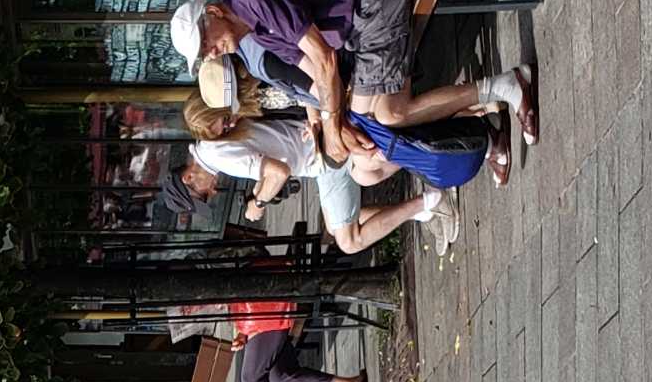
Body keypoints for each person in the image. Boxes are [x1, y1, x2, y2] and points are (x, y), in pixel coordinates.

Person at [170, 0, 533, 165]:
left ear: (214, 13)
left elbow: (325, 60)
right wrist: (338, 125)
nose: (212, 53)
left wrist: (332, 126)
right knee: (375, 121)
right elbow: (316, 74)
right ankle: (486, 118)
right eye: (205, 55)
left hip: (374, 2)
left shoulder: (257, 1)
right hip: (363, 26)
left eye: (206, 44)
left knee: (386, 116)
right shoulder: (258, 30)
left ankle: (492, 112)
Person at [178, 90, 493, 257]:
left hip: (324, 156)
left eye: (203, 194)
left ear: (188, 177)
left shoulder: (216, 153)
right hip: (318, 148)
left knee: (349, 240)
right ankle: (426, 203)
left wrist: (258, 203)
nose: (212, 193)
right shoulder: (213, 143)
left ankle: (431, 202)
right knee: (339, 220)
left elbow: (278, 172)